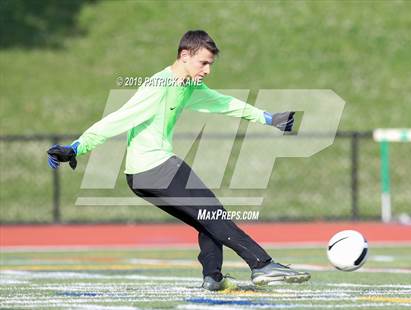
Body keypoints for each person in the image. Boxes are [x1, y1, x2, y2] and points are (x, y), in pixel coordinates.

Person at [47, 30, 310, 291]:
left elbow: (223, 103)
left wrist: (267, 117)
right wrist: (77, 147)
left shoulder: (188, 86)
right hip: (156, 167)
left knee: (207, 217)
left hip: (141, 176)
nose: (207, 70)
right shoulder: (159, 85)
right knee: (213, 214)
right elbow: (119, 118)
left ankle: (213, 278)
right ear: (185, 56)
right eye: (203, 63)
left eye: (210, 64)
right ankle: (261, 264)